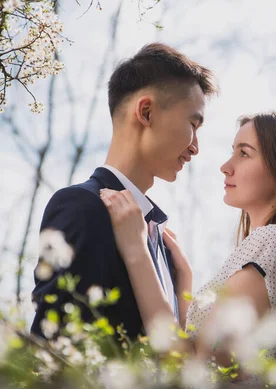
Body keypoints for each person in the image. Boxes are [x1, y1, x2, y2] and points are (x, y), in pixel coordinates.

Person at [100, 111, 276, 389]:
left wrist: (136, 251)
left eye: (244, 154)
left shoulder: (271, 241)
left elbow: (195, 374)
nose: (226, 167)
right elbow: (220, 359)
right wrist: (184, 284)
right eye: (232, 152)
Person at [30, 43, 218, 339]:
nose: (196, 146)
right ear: (146, 112)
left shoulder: (162, 242)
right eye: (193, 124)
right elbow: (54, 340)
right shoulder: (83, 206)